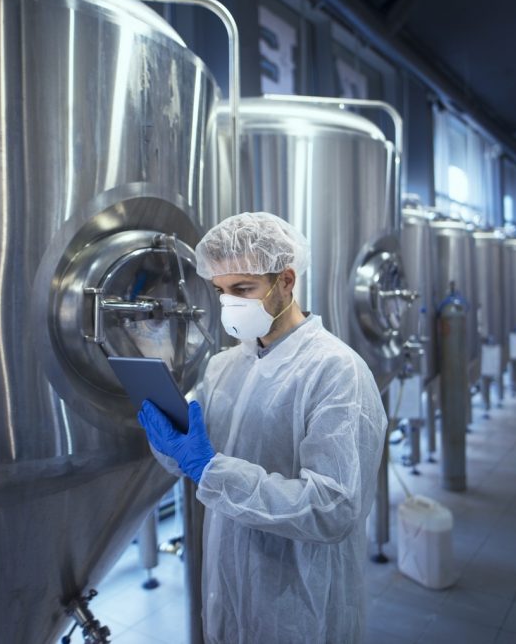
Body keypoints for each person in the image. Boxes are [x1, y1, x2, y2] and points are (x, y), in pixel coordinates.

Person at [136, 212, 387, 644]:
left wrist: (211, 471)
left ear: (286, 281)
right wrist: (171, 442)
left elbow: (332, 508)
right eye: (221, 291)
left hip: (300, 598)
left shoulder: (337, 372)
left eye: (243, 289)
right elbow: (191, 457)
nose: (229, 303)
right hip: (227, 587)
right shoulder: (223, 366)